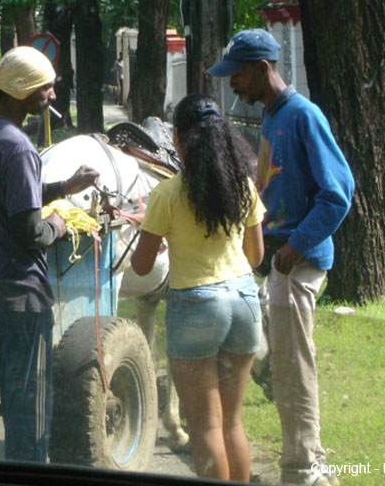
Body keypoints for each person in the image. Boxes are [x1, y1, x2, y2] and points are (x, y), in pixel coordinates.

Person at [0, 46, 98, 462]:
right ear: (24, 90)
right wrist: (60, 225)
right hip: (19, 305)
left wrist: (62, 188)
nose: (53, 96)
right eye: (47, 88)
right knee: (29, 419)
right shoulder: (20, 147)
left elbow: (7, 198)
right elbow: (29, 231)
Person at [207, 29, 354, 486]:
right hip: (279, 259)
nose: (232, 84)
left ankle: (305, 470)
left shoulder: (303, 115)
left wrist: (295, 247)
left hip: (299, 262)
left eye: (237, 75)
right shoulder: (272, 117)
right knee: (277, 366)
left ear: (262, 68)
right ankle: (304, 463)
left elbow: (339, 194)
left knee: (292, 370)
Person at [130, 94, 265, 482]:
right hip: (243, 300)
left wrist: (159, 232)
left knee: (205, 428)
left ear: (177, 137)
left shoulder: (166, 194)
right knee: (232, 423)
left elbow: (141, 266)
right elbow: (255, 256)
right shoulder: (243, 186)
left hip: (196, 305)